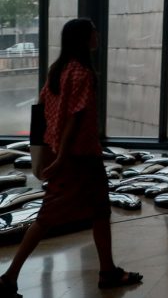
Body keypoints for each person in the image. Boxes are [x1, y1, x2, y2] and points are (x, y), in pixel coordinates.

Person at [0, 19, 142, 298]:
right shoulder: (81, 74)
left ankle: (108, 271)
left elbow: (43, 110)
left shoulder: (58, 70)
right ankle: (8, 277)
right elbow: (74, 121)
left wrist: (49, 153)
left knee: (99, 212)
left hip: (70, 154)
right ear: (83, 39)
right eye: (93, 31)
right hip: (79, 158)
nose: (97, 35)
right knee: (48, 216)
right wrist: (62, 158)